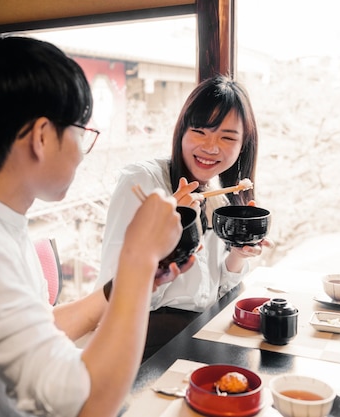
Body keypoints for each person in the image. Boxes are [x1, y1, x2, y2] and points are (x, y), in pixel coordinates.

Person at [0, 36, 193, 417]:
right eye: (81, 132)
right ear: (41, 136)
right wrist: (137, 257)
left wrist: (125, 285)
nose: (83, 151)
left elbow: (38, 329)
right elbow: (91, 403)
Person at [94, 74, 273, 360]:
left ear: (243, 145)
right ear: (181, 132)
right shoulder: (143, 182)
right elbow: (112, 291)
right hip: (141, 342)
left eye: (227, 137)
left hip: (201, 335)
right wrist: (166, 234)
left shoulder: (218, 196)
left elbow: (211, 292)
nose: (211, 147)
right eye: (200, 131)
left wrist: (239, 254)